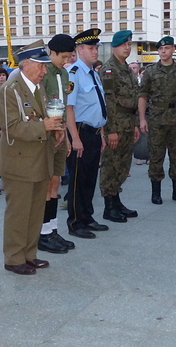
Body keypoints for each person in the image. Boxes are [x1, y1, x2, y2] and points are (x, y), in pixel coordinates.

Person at [0, 41, 61, 274]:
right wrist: (45, 126)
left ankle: (29, 254)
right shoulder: (9, 90)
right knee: (19, 213)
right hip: (19, 162)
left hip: (40, 159)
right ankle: (14, 258)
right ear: (25, 65)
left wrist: (55, 129)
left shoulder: (38, 88)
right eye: (41, 66)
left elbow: (41, 119)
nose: (45, 71)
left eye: (45, 67)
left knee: (35, 213)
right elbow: (11, 127)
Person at [139, 36, 176, 205]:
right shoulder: (150, 71)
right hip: (157, 119)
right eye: (161, 49)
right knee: (156, 156)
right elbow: (143, 96)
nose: (163, 52)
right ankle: (156, 192)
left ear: (172, 49)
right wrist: (142, 119)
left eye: (167, 48)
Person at [65, 28, 109, 239]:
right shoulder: (73, 74)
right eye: (91, 48)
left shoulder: (93, 74)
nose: (95, 52)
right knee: (78, 179)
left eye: (96, 48)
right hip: (80, 132)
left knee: (90, 177)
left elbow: (97, 107)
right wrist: (75, 138)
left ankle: (87, 216)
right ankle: (75, 222)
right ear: (80, 49)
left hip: (93, 132)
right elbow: (69, 109)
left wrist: (100, 134)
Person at [37, 33, 76, 254]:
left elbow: (64, 106)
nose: (66, 60)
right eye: (62, 56)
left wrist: (68, 135)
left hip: (60, 133)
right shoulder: (43, 73)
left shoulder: (63, 74)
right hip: (48, 134)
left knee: (55, 183)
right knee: (47, 184)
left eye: (69, 56)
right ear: (51, 52)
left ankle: (52, 229)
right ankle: (43, 233)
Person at [99, 30, 140, 223]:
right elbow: (108, 102)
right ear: (114, 46)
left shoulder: (126, 70)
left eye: (129, 44)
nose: (127, 47)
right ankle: (109, 206)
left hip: (128, 123)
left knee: (123, 164)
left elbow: (134, 99)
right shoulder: (109, 69)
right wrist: (111, 130)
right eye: (124, 44)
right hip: (115, 125)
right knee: (111, 165)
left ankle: (117, 201)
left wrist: (136, 125)